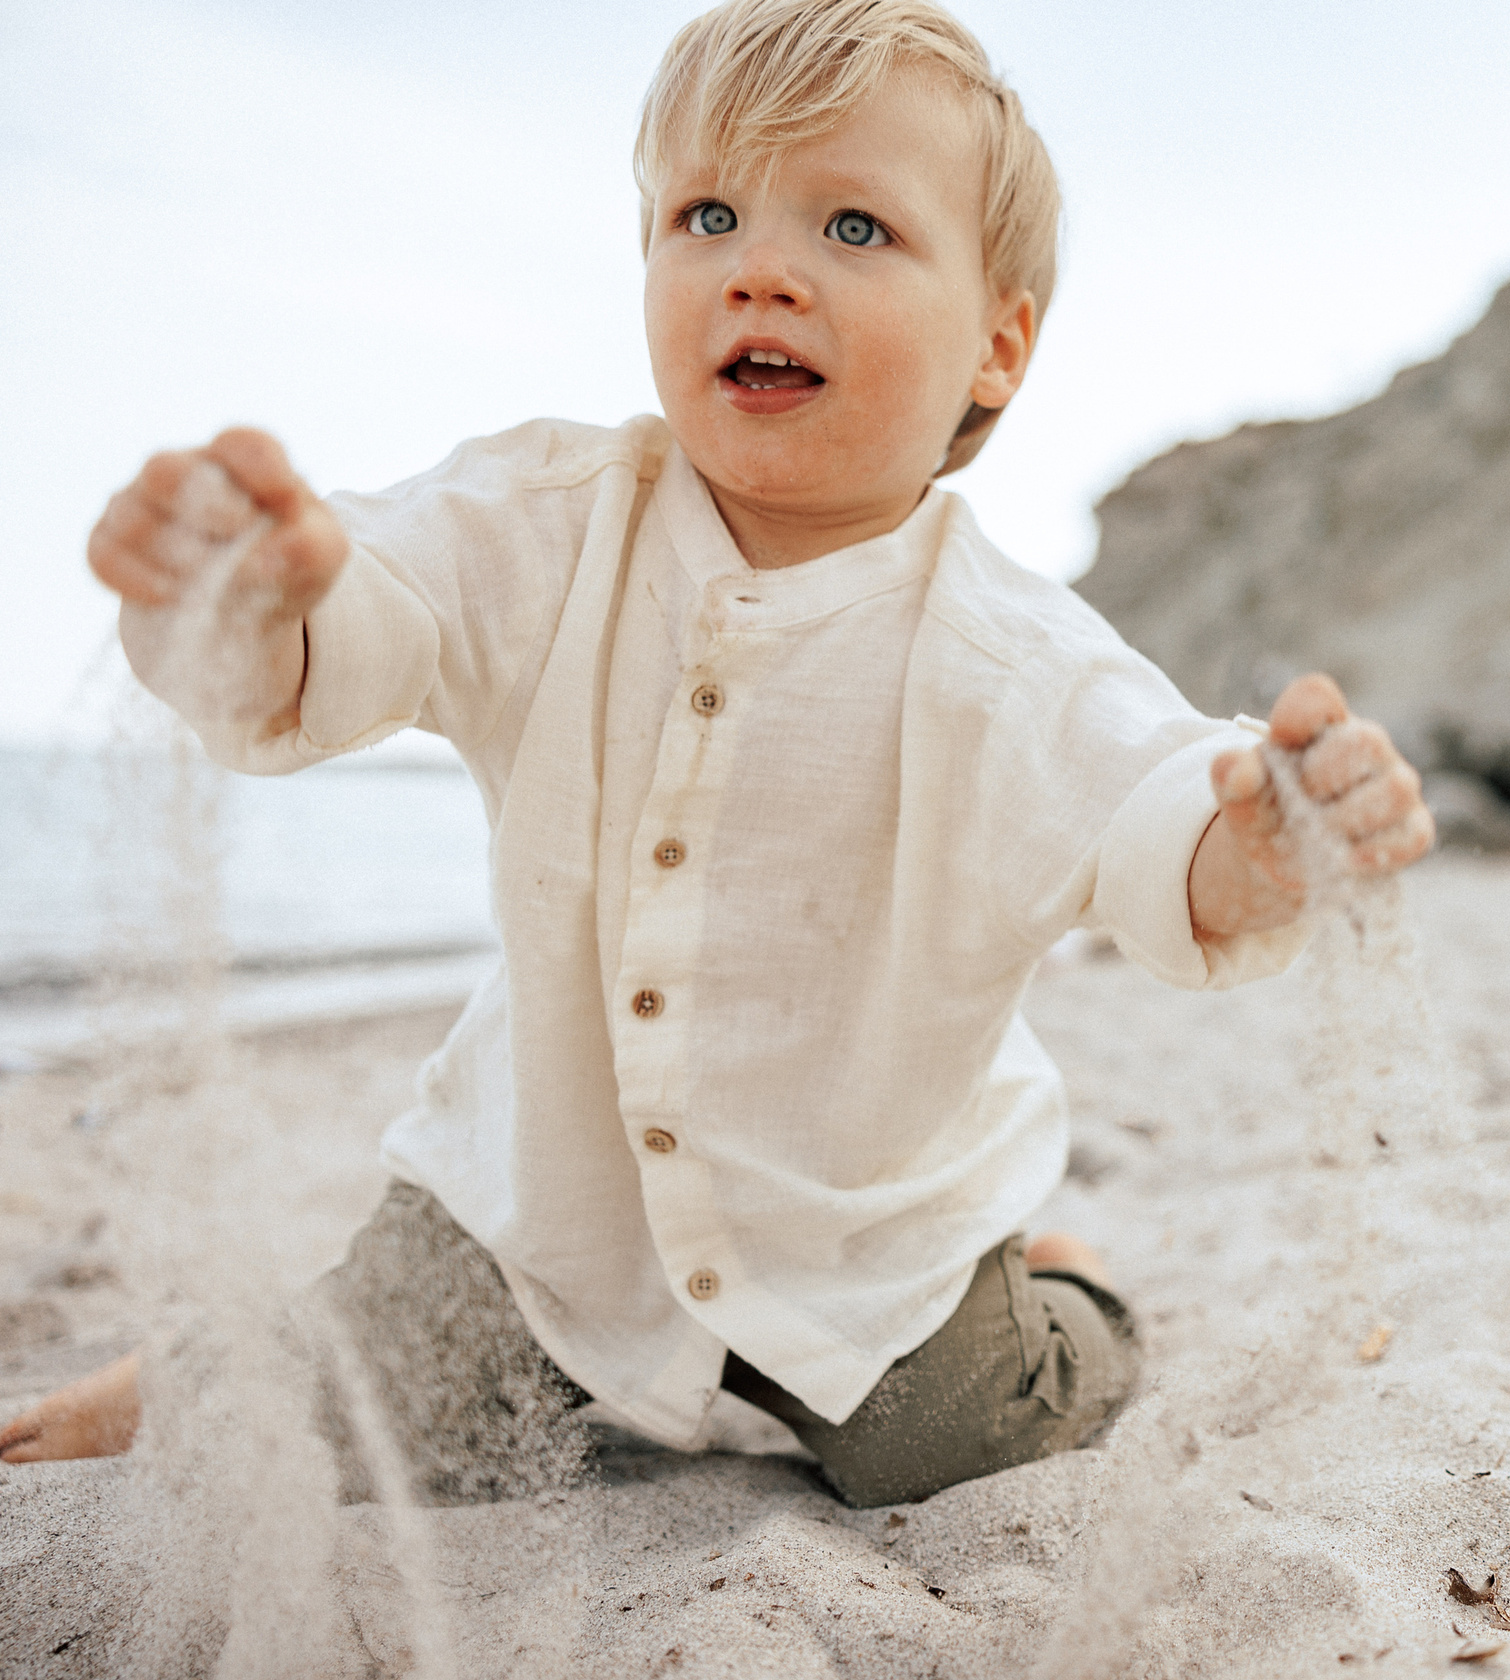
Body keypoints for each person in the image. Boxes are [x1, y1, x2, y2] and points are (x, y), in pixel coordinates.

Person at [0, 0, 1434, 1509]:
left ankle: (1071, 1284)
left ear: (997, 345)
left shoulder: (1012, 656)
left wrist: (1263, 841)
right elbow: (362, 626)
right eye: (707, 216)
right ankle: (186, 1374)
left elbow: (1156, 809)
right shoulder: (544, 523)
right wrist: (256, 599)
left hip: (869, 1242)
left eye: (856, 228)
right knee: (339, 1398)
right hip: (542, 1219)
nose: (762, 268)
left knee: (963, 1440)